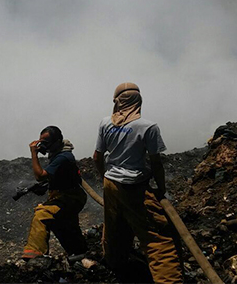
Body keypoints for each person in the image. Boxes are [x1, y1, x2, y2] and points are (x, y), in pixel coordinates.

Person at [93, 82, 182, 283]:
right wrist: (161, 189)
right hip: (135, 188)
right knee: (157, 237)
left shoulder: (105, 123)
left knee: (115, 227)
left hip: (111, 183)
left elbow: (97, 157)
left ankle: (115, 263)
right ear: (138, 101)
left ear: (116, 101)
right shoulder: (148, 127)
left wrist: (105, 177)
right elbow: (155, 162)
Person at [21, 126, 88, 260]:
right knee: (62, 223)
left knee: (43, 214)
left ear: (57, 142)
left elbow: (40, 175)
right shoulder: (57, 154)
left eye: (46, 143)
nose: (42, 146)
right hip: (64, 196)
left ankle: (34, 254)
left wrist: (34, 154)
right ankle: (78, 253)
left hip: (70, 197)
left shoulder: (63, 156)